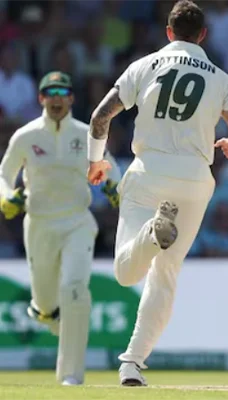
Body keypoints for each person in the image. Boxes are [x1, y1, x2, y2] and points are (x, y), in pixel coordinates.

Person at [84, 0, 228, 386]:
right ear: (204, 36)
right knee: (166, 275)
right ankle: (132, 363)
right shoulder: (222, 78)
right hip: (194, 179)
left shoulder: (145, 66)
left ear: (168, 32)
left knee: (127, 273)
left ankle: (149, 234)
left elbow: (99, 118)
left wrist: (96, 162)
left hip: (149, 171)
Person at [0, 71, 121, 386]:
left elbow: (109, 165)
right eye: (49, 92)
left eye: (62, 92)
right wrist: (6, 198)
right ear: (41, 98)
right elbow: (4, 172)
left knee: (75, 289)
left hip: (77, 222)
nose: (56, 98)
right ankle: (44, 311)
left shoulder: (86, 134)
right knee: (46, 306)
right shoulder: (26, 136)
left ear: (71, 98)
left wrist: (115, 187)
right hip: (39, 225)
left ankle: (71, 375)